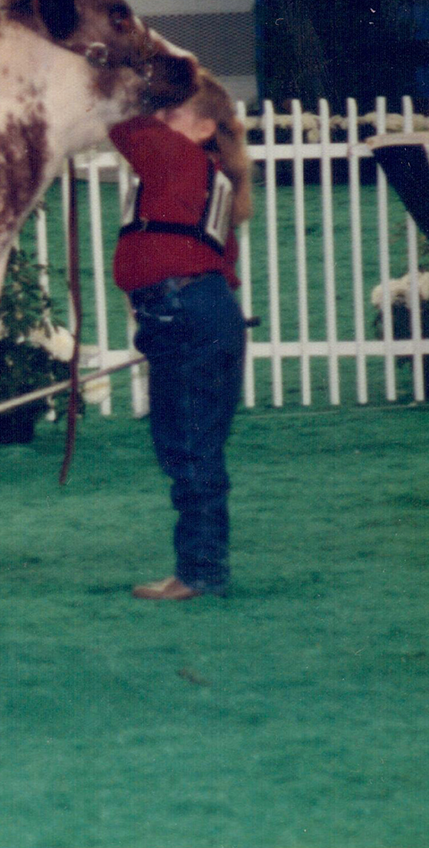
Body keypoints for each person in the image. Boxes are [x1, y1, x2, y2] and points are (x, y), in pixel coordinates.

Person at [109, 75, 253, 602]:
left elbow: (124, 122)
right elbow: (223, 263)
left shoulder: (179, 160)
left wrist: (117, 72)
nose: (160, 127)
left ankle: (200, 574)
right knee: (192, 447)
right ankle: (200, 568)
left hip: (185, 314)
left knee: (188, 448)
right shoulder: (208, 177)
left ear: (203, 128)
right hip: (197, 312)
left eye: (171, 117)